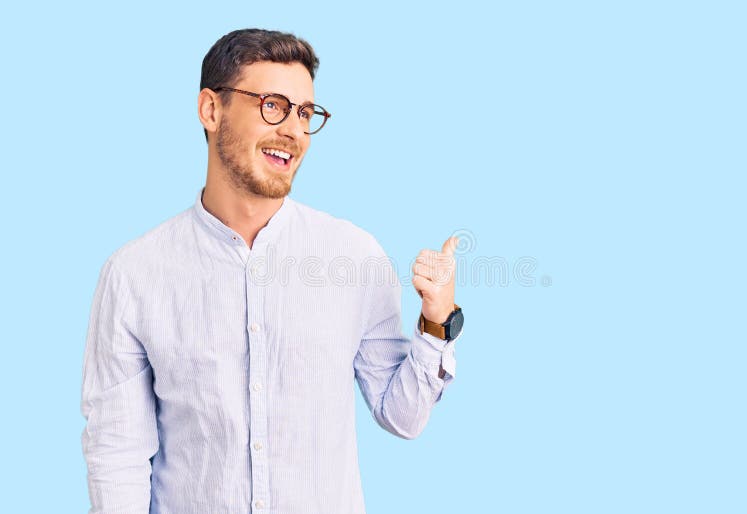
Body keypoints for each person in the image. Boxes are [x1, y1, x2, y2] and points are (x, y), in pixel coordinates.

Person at [80, 28, 464, 513]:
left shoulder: (354, 256)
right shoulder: (134, 274)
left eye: (304, 113)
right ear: (211, 110)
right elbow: (117, 452)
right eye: (273, 105)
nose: (294, 131)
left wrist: (437, 320)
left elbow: (402, 415)